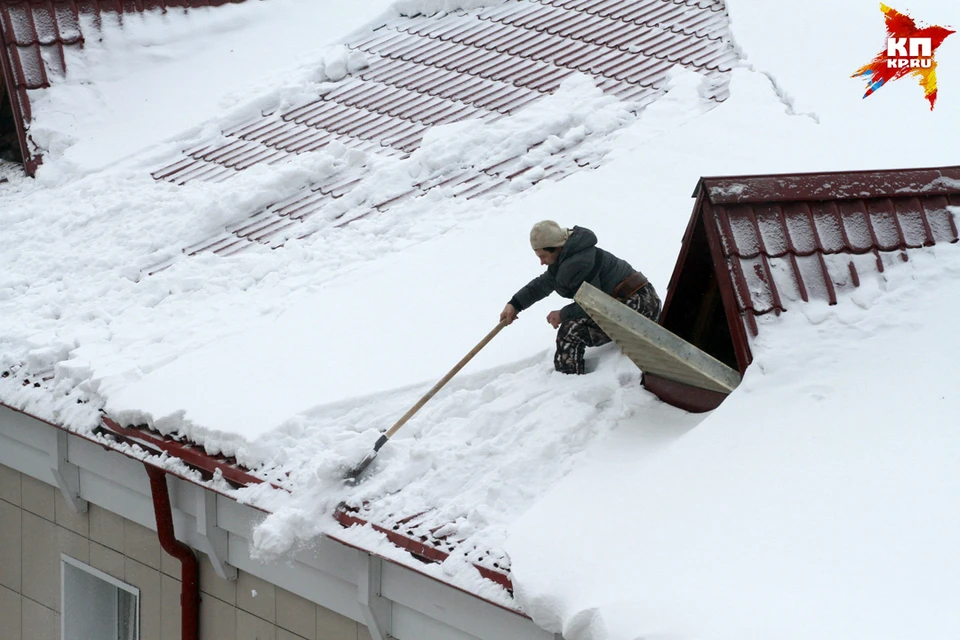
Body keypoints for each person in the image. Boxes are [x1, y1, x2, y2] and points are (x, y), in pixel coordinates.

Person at [500, 221, 661, 375]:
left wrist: (562, 314)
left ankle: (569, 386)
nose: (542, 262)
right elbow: (543, 284)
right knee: (573, 325)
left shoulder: (577, 262)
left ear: (555, 248)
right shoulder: (568, 254)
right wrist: (514, 304)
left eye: (543, 256)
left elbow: (594, 304)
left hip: (639, 307)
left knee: (570, 331)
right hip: (634, 302)